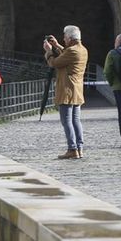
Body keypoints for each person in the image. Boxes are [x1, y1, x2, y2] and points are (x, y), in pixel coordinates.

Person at [43, 25, 89, 159]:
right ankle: (79, 148)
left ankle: (72, 148)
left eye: (64, 38)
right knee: (76, 120)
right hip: (77, 90)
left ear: (69, 38)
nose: (63, 40)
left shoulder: (72, 51)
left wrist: (49, 51)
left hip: (67, 90)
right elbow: (68, 55)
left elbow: (55, 63)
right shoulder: (82, 50)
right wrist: (57, 45)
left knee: (67, 121)